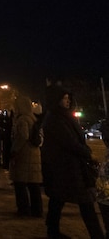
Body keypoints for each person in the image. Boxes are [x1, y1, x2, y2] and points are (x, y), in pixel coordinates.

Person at [41, 86, 104, 239]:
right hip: (67, 167)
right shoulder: (55, 119)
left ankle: (52, 230)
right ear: (56, 100)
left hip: (68, 166)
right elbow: (69, 142)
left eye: (69, 98)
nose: (68, 101)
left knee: (58, 199)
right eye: (64, 98)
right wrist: (88, 154)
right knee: (85, 201)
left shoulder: (63, 116)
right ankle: (96, 235)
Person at [9, 96, 43, 217]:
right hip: (34, 153)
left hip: (24, 154)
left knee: (20, 183)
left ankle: (23, 209)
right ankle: (37, 209)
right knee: (33, 184)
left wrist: (14, 150)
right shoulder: (33, 118)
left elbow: (23, 136)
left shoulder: (22, 119)